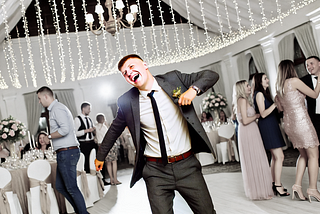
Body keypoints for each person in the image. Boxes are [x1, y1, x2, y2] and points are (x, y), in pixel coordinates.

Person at [95, 54, 219, 213]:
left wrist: (193, 90)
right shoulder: (127, 101)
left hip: (187, 165)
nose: (129, 72)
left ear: (144, 65)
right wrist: (100, 156)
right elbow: (114, 130)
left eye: (132, 66)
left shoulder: (174, 79)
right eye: (125, 73)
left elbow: (210, 75)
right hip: (155, 171)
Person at [37, 86, 88, 214]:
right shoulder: (56, 108)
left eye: (39, 98)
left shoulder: (57, 108)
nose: (39, 102)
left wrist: (49, 137)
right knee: (60, 187)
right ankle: (80, 211)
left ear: (46, 96)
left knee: (71, 187)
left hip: (67, 152)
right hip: (65, 152)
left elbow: (64, 130)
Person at [275, 60, 320, 202]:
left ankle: (297, 186)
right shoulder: (294, 81)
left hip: (289, 125)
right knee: (313, 155)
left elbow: (281, 109)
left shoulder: (279, 87)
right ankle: (312, 188)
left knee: (303, 155)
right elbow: (314, 94)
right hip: (301, 123)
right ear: (291, 68)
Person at [235, 80, 274, 200]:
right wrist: (256, 116)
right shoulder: (242, 100)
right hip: (247, 131)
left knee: (257, 158)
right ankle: (259, 191)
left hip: (252, 131)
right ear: (241, 88)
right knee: (254, 159)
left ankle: (262, 189)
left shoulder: (245, 100)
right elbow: (245, 121)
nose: (249, 87)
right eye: (247, 85)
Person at [253, 73, 289, 197]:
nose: (267, 80)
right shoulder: (259, 94)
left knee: (275, 157)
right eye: (265, 78)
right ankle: (277, 185)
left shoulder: (265, 94)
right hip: (267, 126)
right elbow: (262, 114)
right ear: (259, 81)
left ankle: (273, 183)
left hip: (272, 125)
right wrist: (274, 103)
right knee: (280, 156)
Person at [301, 56, 320, 164]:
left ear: (319, 64)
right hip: (315, 118)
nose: (309, 67)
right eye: (307, 65)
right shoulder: (303, 81)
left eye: (311, 63)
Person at [74, 102, 97, 173]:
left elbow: (91, 129)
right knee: (86, 162)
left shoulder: (89, 119)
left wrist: (93, 130)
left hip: (92, 142)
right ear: (83, 109)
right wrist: (85, 131)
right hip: (84, 143)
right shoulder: (77, 119)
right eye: (88, 109)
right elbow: (74, 133)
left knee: (95, 160)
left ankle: (99, 178)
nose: (90, 110)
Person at [95, 113, 111, 185]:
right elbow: (108, 135)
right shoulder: (104, 127)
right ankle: (104, 179)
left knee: (100, 162)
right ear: (103, 119)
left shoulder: (95, 127)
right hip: (104, 144)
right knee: (106, 162)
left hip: (99, 145)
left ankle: (100, 179)